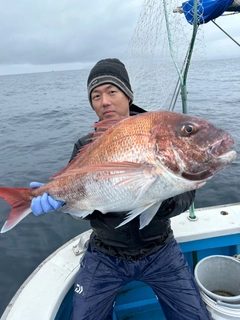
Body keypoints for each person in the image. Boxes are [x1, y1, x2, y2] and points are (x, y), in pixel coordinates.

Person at [30, 58, 210, 320]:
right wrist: (62, 203)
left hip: (160, 250)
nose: (104, 101)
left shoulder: (159, 131)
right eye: (96, 95)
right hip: (105, 254)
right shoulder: (85, 145)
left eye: (112, 91)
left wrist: (158, 196)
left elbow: (185, 196)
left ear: (128, 95)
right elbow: (86, 206)